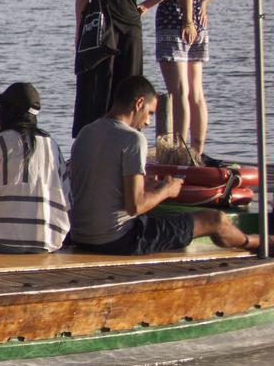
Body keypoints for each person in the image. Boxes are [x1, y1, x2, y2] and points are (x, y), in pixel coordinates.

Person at [68, 75, 258, 255]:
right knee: (216, 220)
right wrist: (167, 190)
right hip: (119, 240)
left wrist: (147, 187)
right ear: (139, 103)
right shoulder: (132, 139)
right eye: (150, 113)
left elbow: (99, 186)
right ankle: (255, 243)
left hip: (81, 236)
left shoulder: (85, 133)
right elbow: (134, 207)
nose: (149, 122)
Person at [72, 0, 173, 137]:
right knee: (129, 88)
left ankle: (94, 139)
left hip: (104, 29)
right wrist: (145, 6)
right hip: (132, 29)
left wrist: (79, 28)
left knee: (97, 86)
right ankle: (126, 136)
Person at [155, 0, 238, 160]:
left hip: (175, 16)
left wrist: (187, 20)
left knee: (179, 91)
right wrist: (204, 1)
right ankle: (197, 151)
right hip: (198, 18)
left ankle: (181, 153)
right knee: (196, 92)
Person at [0, 82, 71, 254]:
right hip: (49, 240)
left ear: (8, 112)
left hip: (2, 242)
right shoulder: (52, 144)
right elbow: (67, 201)